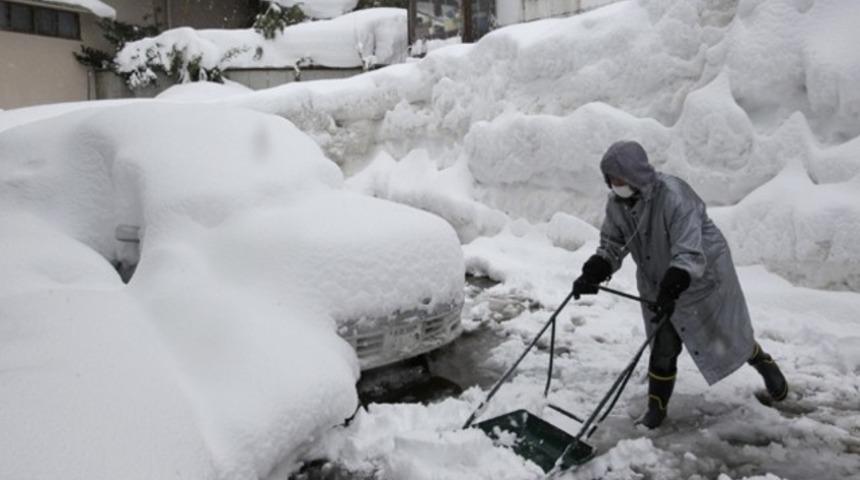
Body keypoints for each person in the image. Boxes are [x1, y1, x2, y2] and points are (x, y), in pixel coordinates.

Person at [572, 140, 788, 429]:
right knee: (663, 344)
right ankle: (656, 410)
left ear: (635, 174)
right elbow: (612, 243)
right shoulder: (617, 203)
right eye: (610, 179)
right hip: (656, 280)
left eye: (619, 178)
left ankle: (761, 360)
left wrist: (673, 286)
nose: (614, 184)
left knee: (726, 335)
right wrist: (594, 271)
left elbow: (688, 251)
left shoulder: (674, 197)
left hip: (700, 277)